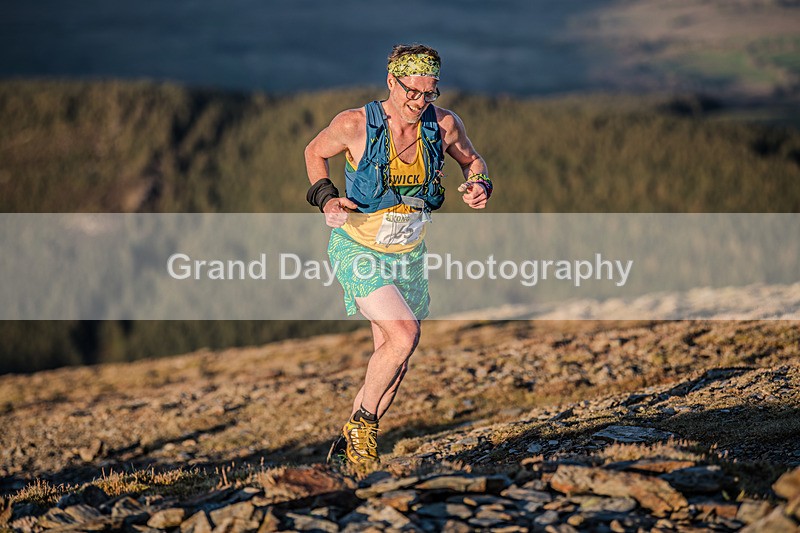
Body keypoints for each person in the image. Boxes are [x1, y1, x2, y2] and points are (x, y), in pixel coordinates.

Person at [304, 43, 492, 466]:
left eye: (429, 93)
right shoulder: (354, 124)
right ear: (392, 81)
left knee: (395, 361)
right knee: (405, 335)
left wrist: (480, 184)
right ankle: (364, 426)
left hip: (408, 255)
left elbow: (473, 161)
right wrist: (327, 199)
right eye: (412, 91)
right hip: (358, 247)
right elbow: (314, 152)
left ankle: (350, 457)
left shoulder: (443, 124)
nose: (420, 101)